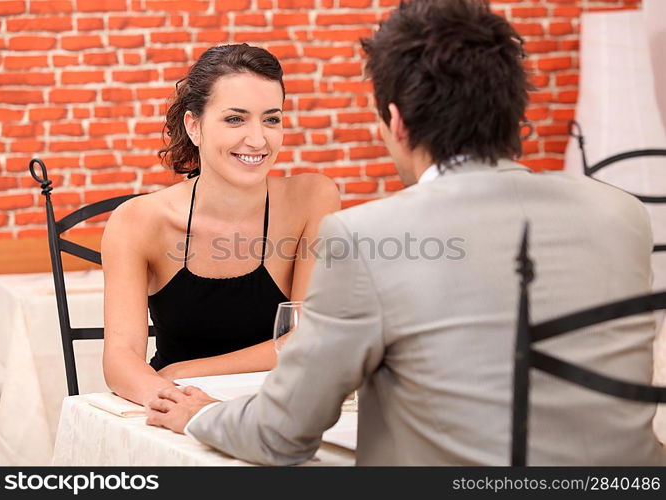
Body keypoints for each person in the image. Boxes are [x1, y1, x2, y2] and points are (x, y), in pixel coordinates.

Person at [145, 0, 666, 465]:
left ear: (396, 121)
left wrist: (201, 414)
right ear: (513, 110)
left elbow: (281, 436)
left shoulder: (367, 235)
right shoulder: (622, 214)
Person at [101, 44, 340, 406]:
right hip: (174, 406)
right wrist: (179, 402)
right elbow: (120, 360)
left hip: (282, 408)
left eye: (271, 119)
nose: (258, 140)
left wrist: (185, 373)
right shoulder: (138, 221)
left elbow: (308, 338)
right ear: (194, 126)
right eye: (235, 119)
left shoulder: (311, 199)